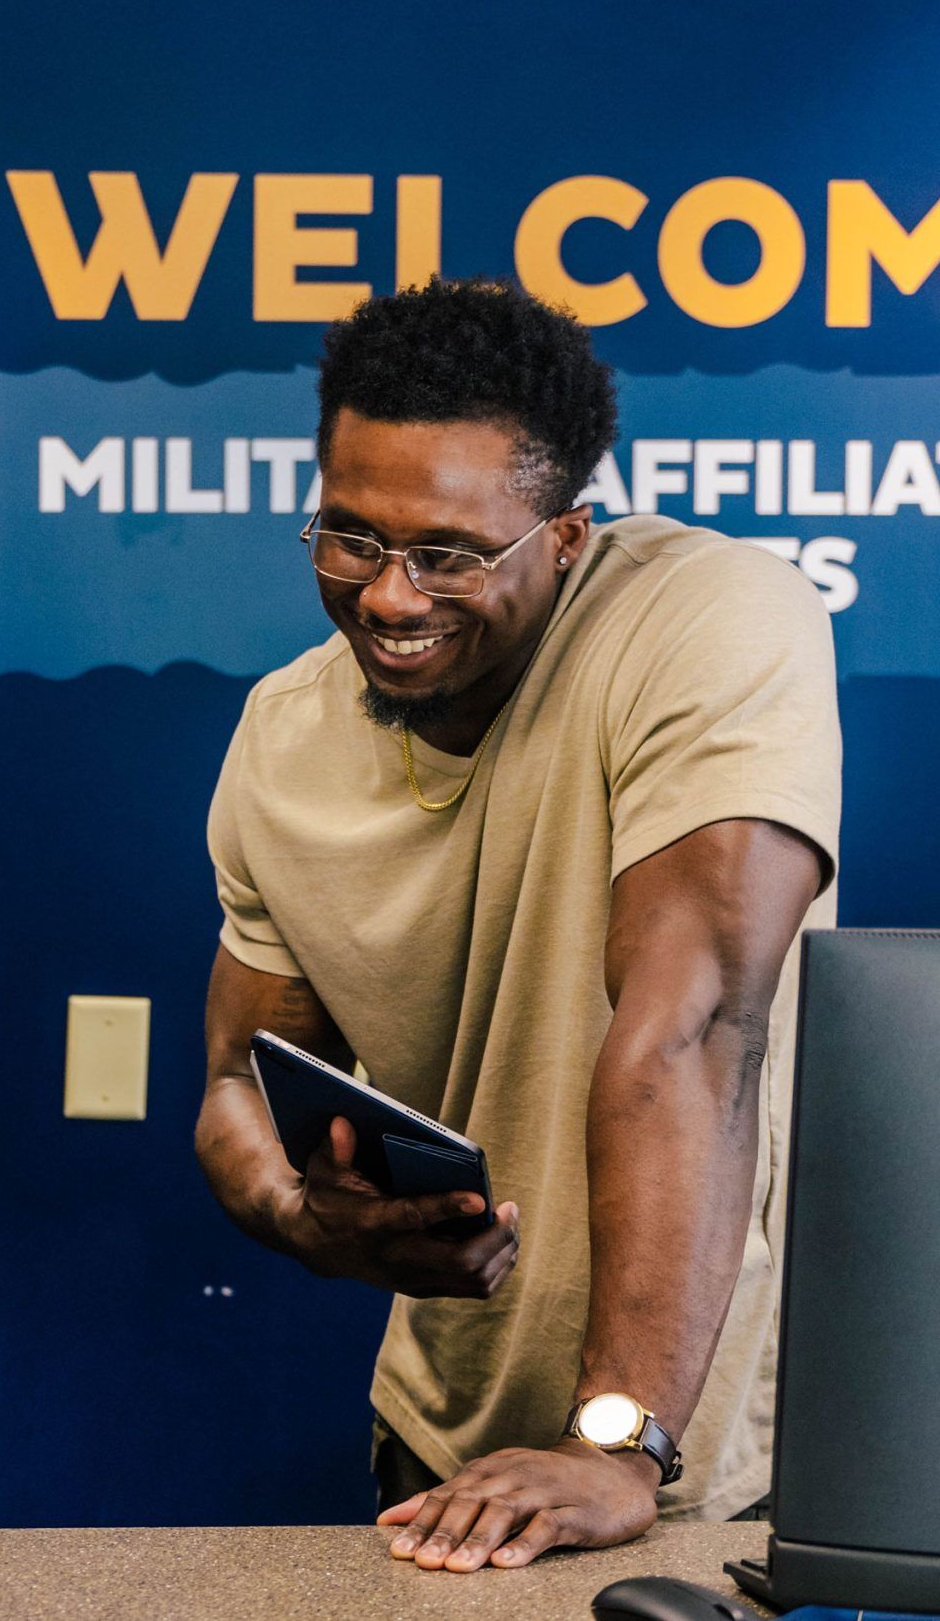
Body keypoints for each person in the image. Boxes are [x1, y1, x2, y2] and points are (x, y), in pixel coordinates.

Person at [192, 280, 838, 1571]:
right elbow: (234, 1084)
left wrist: (617, 1437)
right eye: (350, 536)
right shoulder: (281, 736)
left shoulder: (711, 615)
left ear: (567, 537)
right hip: (451, 1447)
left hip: (722, 1454)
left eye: (449, 551)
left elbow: (697, 1023)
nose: (388, 595)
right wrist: (304, 1215)